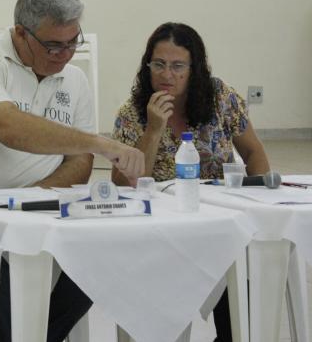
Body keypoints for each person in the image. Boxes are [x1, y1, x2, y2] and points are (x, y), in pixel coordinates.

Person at [0, 0, 145, 342]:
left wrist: (29, 198)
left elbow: (79, 162)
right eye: (53, 45)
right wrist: (101, 143)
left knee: (104, 258)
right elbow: (9, 127)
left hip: (36, 204)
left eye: (73, 42)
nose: (65, 54)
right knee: (8, 296)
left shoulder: (74, 80)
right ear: (20, 33)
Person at [112, 21, 270, 341]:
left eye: (177, 66)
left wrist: (259, 201)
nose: (167, 75)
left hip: (220, 220)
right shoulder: (132, 112)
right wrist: (153, 129)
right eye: (158, 64)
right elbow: (125, 183)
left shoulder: (221, 97)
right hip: (163, 230)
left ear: (194, 69)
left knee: (244, 304)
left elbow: (254, 153)